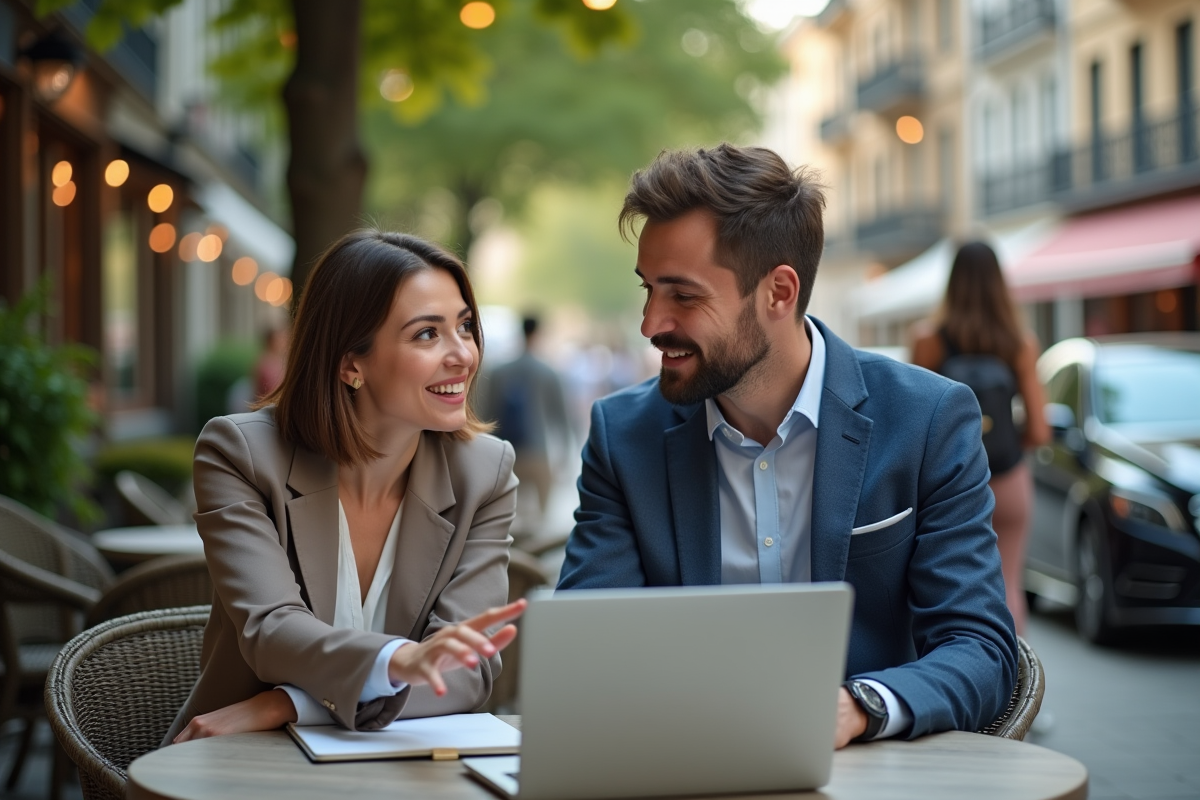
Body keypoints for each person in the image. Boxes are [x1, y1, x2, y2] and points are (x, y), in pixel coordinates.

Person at [557, 144, 1018, 749]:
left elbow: (980, 649)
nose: (651, 323)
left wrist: (859, 708)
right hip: (680, 766)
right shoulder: (624, 435)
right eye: (648, 289)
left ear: (779, 291)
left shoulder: (927, 418)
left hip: (871, 771)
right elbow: (589, 645)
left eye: (683, 295)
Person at [165, 230, 526, 744]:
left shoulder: (484, 472)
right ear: (350, 362)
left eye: (464, 326)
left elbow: (466, 671)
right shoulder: (240, 454)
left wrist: (285, 704)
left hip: (394, 763)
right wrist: (401, 663)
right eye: (427, 334)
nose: (463, 355)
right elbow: (271, 631)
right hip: (241, 756)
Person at [910, 242, 1050, 635]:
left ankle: (960, 674)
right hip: (1007, 481)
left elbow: (912, 418)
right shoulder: (1019, 344)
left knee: (945, 584)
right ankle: (1011, 686)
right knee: (1009, 586)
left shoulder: (929, 339)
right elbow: (1040, 430)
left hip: (947, 483)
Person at [478, 315, 570, 528]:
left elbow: (486, 415)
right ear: (538, 333)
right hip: (538, 451)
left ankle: (514, 560)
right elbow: (561, 417)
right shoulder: (548, 372)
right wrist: (564, 455)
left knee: (506, 520)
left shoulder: (499, 371)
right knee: (540, 521)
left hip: (504, 454)